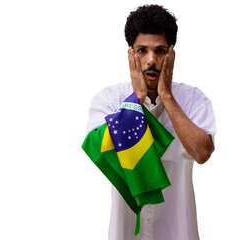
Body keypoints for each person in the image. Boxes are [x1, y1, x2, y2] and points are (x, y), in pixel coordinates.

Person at [86, 4, 216, 240]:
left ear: (171, 54)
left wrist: (166, 96)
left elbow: (202, 152)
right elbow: (98, 149)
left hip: (178, 231)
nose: (151, 60)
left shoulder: (194, 100)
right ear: (131, 53)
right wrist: (137, 99)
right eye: (142, 50)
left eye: (160, 50)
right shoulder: (108, 101)